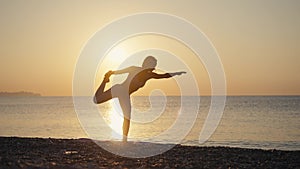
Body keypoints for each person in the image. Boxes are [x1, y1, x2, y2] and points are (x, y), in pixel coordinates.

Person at [94, 56, 186, 142]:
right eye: (152, 64)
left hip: (125, 94)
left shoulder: (149, 75)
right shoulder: (134, 68)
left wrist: (176, 73)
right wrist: (108, 75)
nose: (153, 67)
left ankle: (124, 140)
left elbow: (164, 76)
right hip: (119, 89)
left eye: (154, 65)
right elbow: (116, 72)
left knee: (127, 116)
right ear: (146, 64)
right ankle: (104, 81)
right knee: (96, 100)